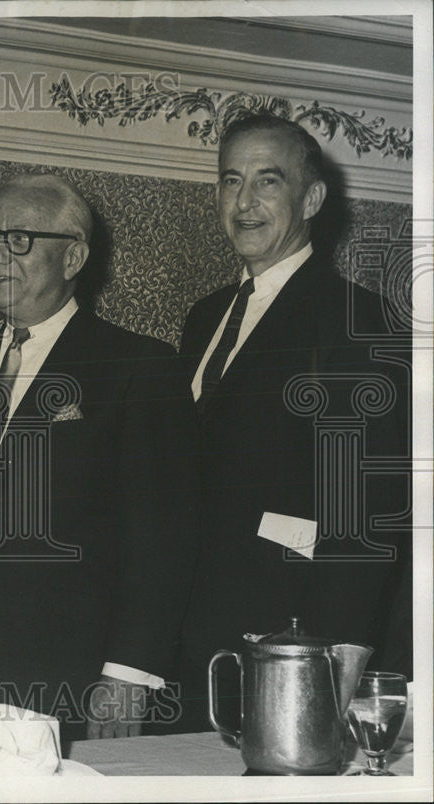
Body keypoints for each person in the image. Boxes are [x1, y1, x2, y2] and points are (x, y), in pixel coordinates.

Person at [0, 174, 200, 748]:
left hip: (79, 679)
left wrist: (129, 673)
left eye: (19, 240)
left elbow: (163, 539)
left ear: (73, 256)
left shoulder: (137, 368)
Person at [175, 114, 411, 732]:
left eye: (267, 181)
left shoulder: (355, 320)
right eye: (230, 181)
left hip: (292, 643)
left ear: (311, 199)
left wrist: (344, 656)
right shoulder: (203, 318)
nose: (244, 202)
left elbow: (370, 507)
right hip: (191, 641)